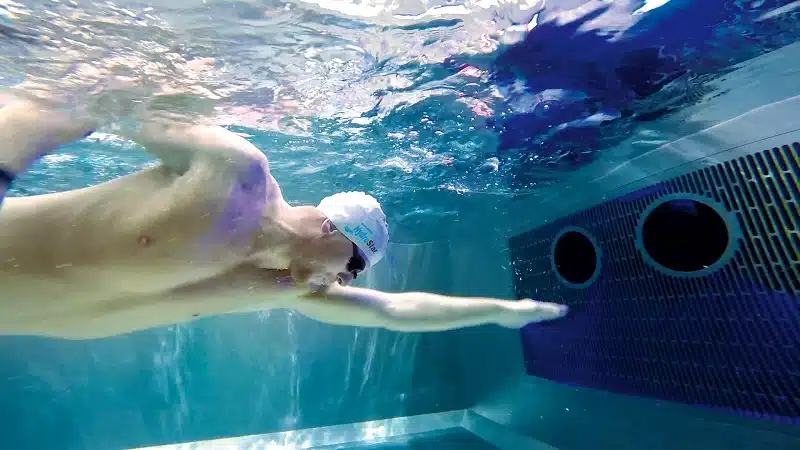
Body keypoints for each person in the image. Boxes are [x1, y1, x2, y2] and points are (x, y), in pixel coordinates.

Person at [0, 96, 568, 340]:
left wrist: (504, 310)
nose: (344, 283)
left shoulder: (276, 289)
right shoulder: (237, 175)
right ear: (330, 227)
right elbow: (96, 97)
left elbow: (396, 312)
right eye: (351, 267)